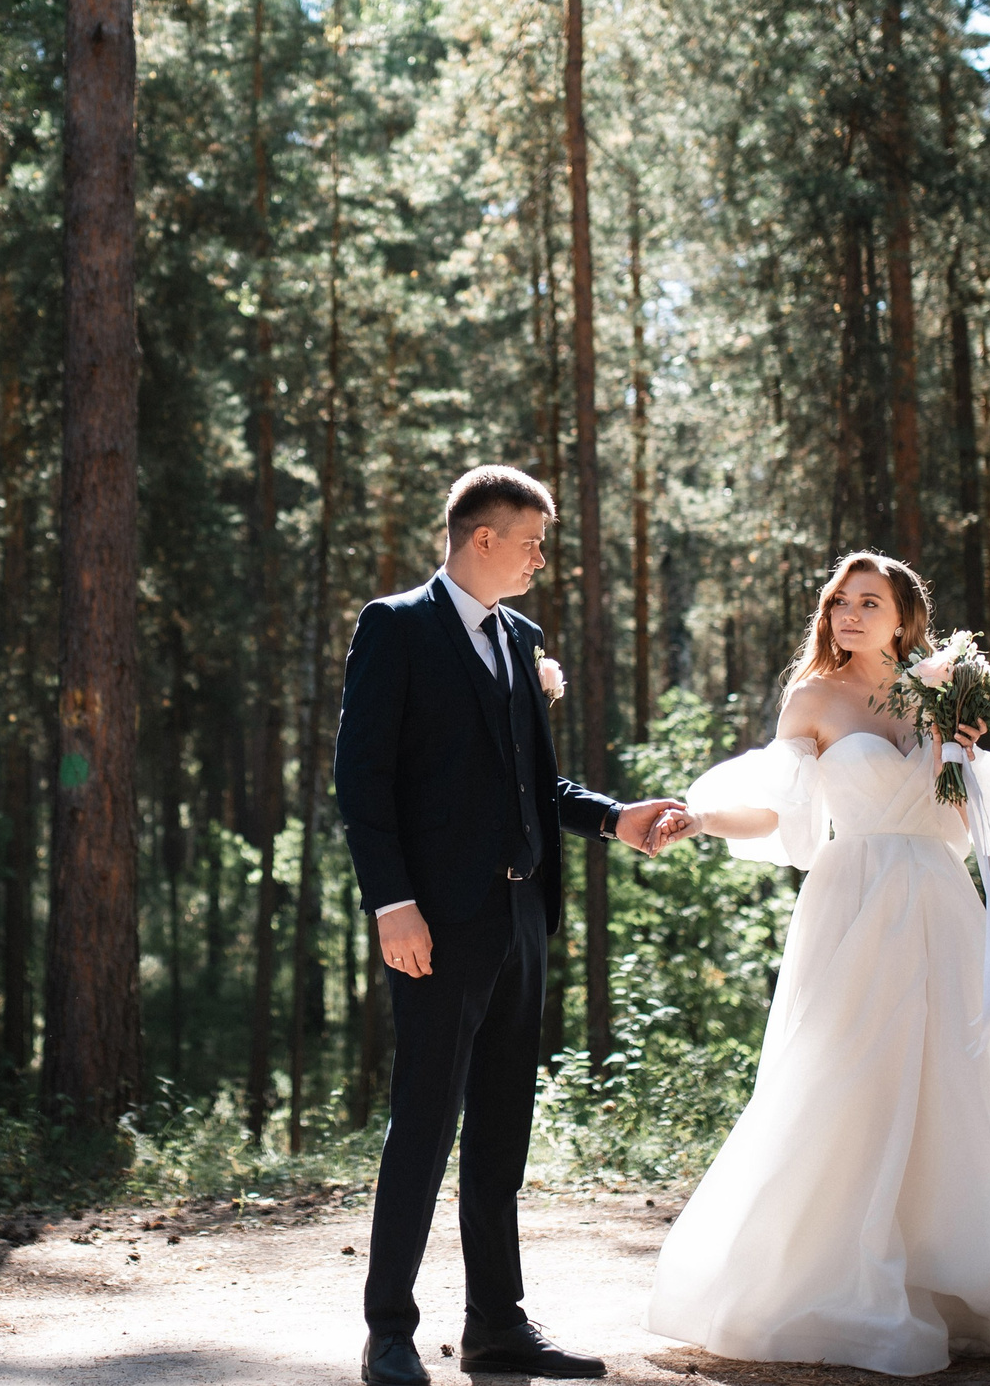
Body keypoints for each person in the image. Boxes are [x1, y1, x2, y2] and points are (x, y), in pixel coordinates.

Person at [640, 552, 990, 1376]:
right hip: (854, 902)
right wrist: (700, 820)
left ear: (903, 618)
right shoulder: (813, 696)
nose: (847, 614)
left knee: (952, 1081)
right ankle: (829, 1281)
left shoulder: (943, 695)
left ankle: (956, 1276)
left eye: (867, 601)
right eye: (838, 601)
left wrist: (967, 753)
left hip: (941, 903)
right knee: (846, 1075)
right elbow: (779, 811)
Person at [335, 465, 687, 1385]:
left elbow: (538, 783)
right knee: (424, 1124)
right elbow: (362, 779)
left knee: (500, 1132)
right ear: (482, 538)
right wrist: (392, 903)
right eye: (531, 542)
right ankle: (388, 1330)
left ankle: (496, 1324)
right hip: (435, 925)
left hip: (522, 917)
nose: (540, 559)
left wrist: (616, 818)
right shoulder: (396, 627)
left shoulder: (521, 638)